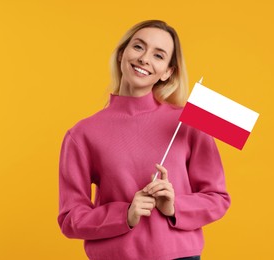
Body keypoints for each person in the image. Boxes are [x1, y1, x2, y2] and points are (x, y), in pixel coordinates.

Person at [58, 20, 231, 260]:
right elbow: (70, 218)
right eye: (139, 47)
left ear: (168, 72)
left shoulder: (188, 123)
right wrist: (125, 214)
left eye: (159, 55)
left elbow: (218, 198)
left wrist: (173, 206)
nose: (145, 58)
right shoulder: (82, 134)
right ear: (122, 54)